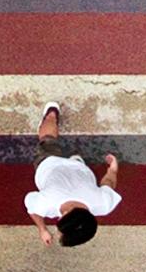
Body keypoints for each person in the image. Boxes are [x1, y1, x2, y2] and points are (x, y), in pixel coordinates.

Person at [24, 103, 122, 248]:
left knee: (50, 139)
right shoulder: (45, 203)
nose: (58, 232)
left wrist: (113, 169)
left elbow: (108, 184)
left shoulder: (103, 204)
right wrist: (42, 229)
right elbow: (31, 208)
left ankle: (52, 115)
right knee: (46, 138)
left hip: (80, 169)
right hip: (48, 164)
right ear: (65, 215)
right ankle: (50, 114)